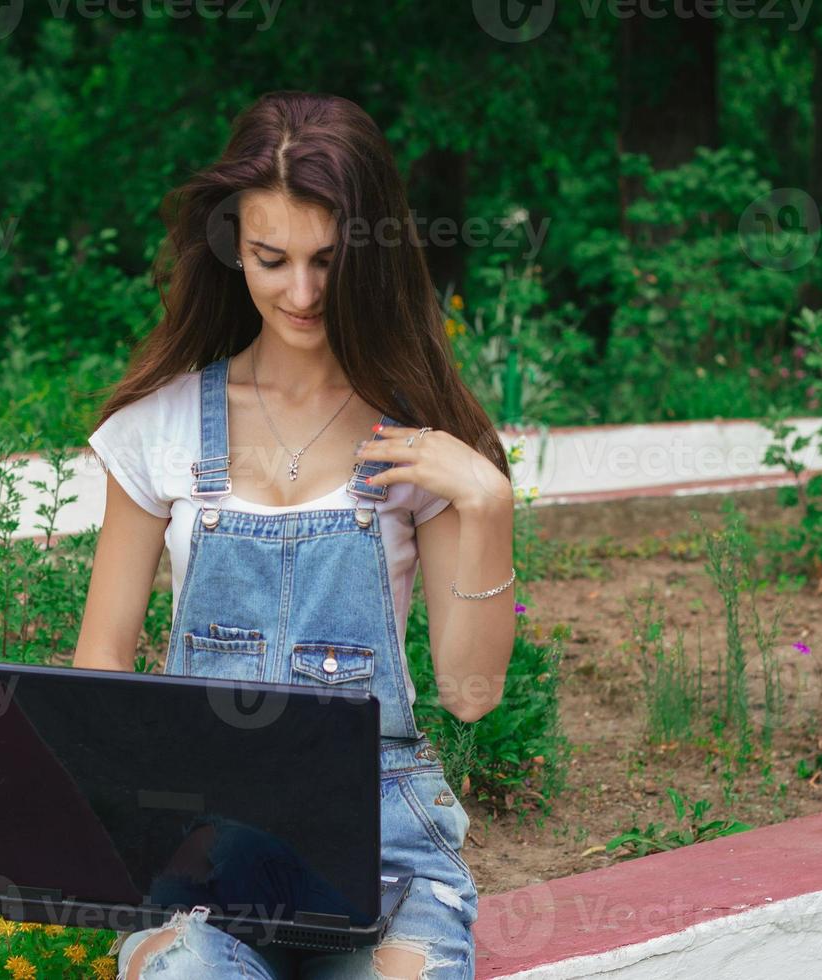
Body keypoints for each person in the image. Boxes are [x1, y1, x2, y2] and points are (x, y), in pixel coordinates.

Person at [73, 89, 517, 980]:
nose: (303, 292)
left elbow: (469, 694)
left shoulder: (419, 443)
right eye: (273, 259)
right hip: (206, 856)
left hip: (390, 853)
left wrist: (487, 505)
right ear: (232, 244)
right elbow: (102, 670)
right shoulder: (158, 431)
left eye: (329, 260)